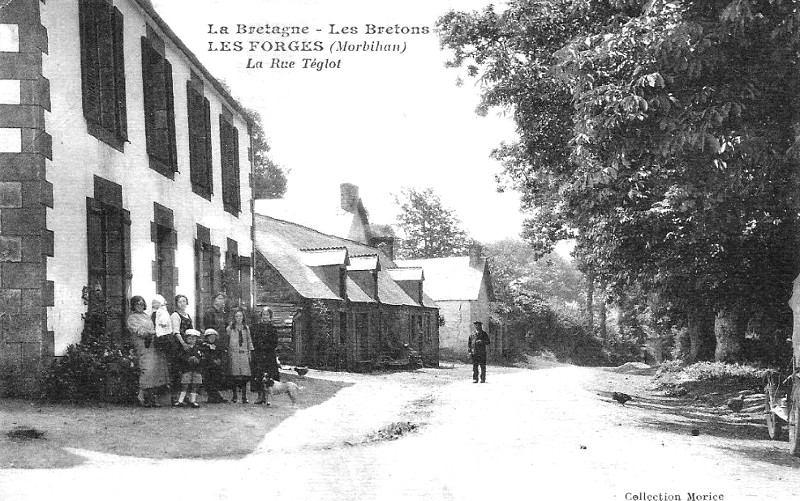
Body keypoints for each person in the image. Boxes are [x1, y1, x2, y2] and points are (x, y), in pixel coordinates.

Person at [126, 296, 169, 406]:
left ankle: (151, 398)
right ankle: (142, 397)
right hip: (143, 345)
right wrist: (154, 332)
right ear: (133, 305)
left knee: (155, 371)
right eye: (137, 304)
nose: (139, 306)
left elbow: (153, 328)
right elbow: (141, 332)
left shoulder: (146, 316)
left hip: (152, 345)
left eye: (141, 304)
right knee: (147, 369)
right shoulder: (132, 318)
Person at [250, 308, 280, 404]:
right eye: (263, 314)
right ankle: (260, 396)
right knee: (258, 374)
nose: (265, 316)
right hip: (259, 354)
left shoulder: (273, 328)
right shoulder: (256, 327)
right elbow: (254, 340)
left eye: (267, 315)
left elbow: (275, 342)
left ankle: (267, 397)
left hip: (269, 354)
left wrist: (267, 348)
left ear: (270, 317)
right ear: (261, 316)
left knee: (269, 375)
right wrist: (259, 347)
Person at [169, 294, 193, 401]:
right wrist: (183, 344)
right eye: (179, 302)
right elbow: (176, 332)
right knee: (178, 371)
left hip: (188, 345)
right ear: (176, 304)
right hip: (179, 346)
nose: (182, 304)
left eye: (184, 301)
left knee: (186, 371)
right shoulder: (175, 315)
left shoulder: (187, 315)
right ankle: (175, 397)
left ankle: (184, 397)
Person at [227, 308, 253, 403]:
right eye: (237, 316)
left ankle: (244, 396)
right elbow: (228, 340)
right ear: (234, 318)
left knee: (244, 375)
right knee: (235, 375)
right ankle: (234, 396)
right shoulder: (230, 328)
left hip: (244, 353)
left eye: (240, 316)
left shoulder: (246, 328)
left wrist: (250, 352)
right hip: (234, 353)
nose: (239, 318)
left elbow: (249, 340)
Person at [173, 329, 204, 408]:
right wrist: (188, 358)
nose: (192, 340)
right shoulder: (184, 348)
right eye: (189, 338)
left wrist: (198, 359)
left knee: (195, 385)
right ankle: (180, 400)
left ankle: (193, 401)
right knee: (185, 384)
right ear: (186, 339)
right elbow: (180, 356)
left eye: (194, 338)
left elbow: (202, 357)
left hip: (196, 369)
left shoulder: (198, 348)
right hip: (187, 369)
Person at [201, 328, 227, 403]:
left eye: (213, 337)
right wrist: (213, 360)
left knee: (216, 381)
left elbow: (221, 353)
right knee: (209, 381)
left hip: (216, 367)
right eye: (210, 337)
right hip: (208, 366)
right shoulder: (205, 346)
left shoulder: (217, 346)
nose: (212, 339)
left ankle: (216, 396)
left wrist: (219, 360)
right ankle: (212, 396)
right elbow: (206, 356)